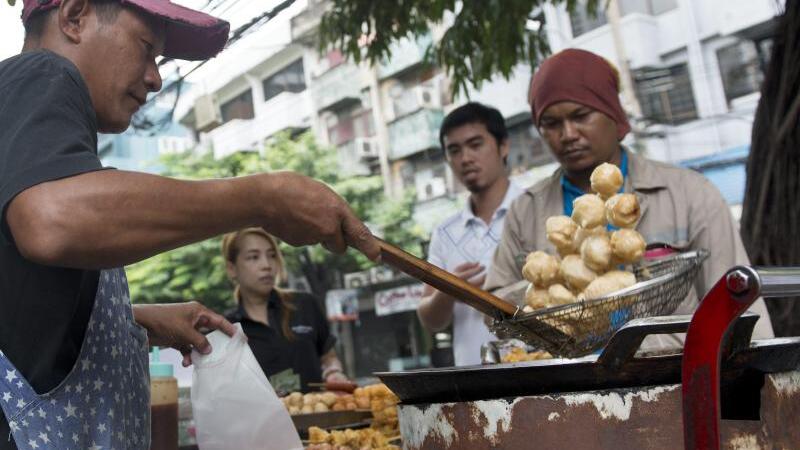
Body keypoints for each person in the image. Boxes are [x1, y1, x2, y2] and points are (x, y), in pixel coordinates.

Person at [0, 1, 379, 449]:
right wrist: (263, 198)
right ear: (74, 16)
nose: (155, 78)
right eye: (146, 48)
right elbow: (51, 220)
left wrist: (131, 322)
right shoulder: (42, 73)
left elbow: (22, 309)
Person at [484, 48, 773, 348]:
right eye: (551, 124)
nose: (568, 133)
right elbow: (496, 306)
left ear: (612, 112)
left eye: (580, 116)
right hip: (569, 386)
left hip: (672, 378)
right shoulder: (525, 211)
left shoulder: (690, 194)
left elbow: (740, 306)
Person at [417, 102, 524, 366]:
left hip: (540, 374)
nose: (465, 158)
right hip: (472, 384)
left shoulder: (534, 210)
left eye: (476, 145)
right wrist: (449, 290)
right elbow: (430, 320)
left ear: (503, 146)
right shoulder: (445, 233)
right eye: (454, 150)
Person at [222, 228, 348, 394]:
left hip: (317, 415)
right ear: (232, 268)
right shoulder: (227, 329)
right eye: (253, 257)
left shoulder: (305, 304)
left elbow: (328, 357)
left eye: (272, 255)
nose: (266, 265)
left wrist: (333, 372)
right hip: (263, 420)